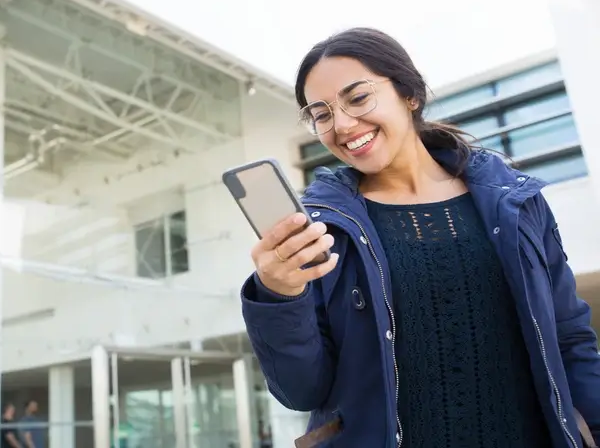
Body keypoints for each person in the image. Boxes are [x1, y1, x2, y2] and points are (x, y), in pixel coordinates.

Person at [241, 27, 600, 448]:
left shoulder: (516, 203)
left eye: (358, 98)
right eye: (321, 114)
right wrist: (279, 295)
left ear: (410, 94)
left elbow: (569, 337)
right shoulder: (324, 229)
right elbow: (301, 390)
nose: (341, 124)